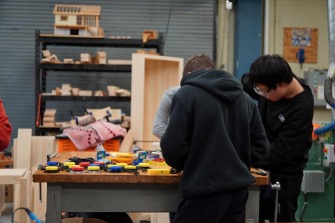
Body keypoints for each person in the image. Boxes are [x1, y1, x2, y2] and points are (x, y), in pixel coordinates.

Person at [160, 54, 269, 223]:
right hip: (238, 192)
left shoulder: (186, 94)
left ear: (188, 76)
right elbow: (261, 148)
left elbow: (173, 147)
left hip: (204, 190)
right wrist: (237, 163)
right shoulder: (245, 99)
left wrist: (187, 163)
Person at [245, 54, 314, 222]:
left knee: (279, 218)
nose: (261, 95)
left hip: (284, 179)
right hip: (260, 168)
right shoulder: (269, 78)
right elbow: (243, 84)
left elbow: (279, 152)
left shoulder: (301, 108)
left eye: (264, 91)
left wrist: (242, 158)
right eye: (258, 91)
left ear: (281, 85)